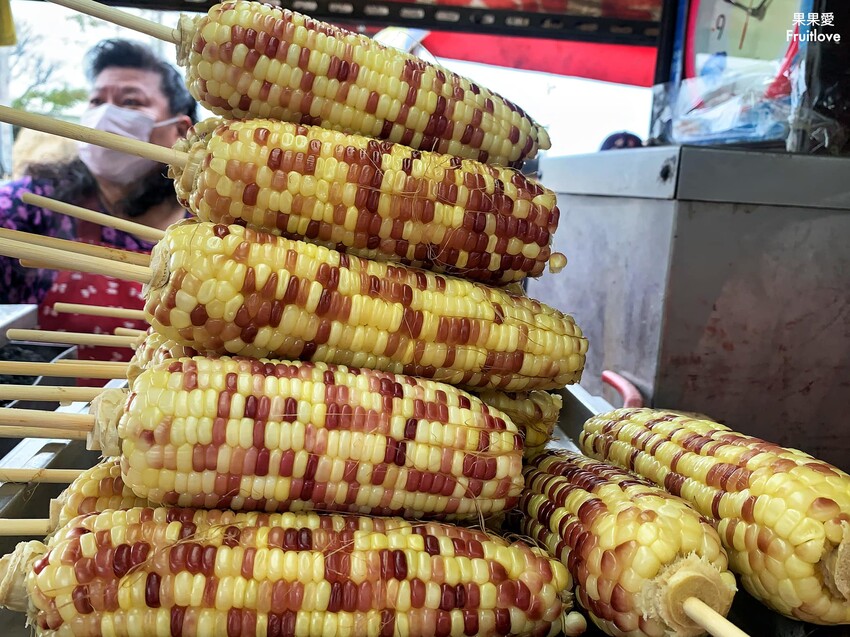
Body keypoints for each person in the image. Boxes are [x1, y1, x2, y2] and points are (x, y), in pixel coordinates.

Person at [0, 39, 197, 363]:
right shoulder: (33, 210)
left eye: (130, 102)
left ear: (179, 131)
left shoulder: (219, 226)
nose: (106, 116)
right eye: (96, 101)